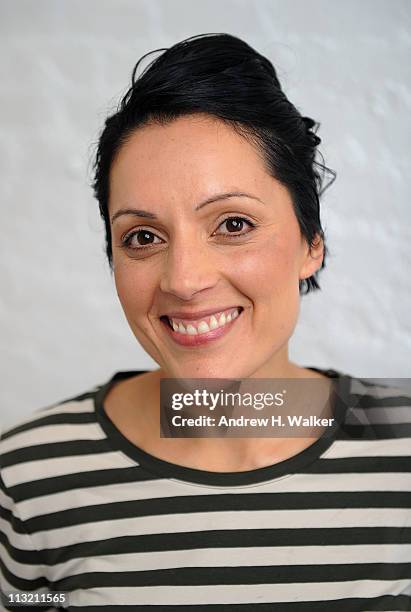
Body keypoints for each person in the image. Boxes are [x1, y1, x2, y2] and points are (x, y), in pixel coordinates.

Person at [1, 33, 410, 611]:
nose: (184, 280)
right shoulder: (28, 477)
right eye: (143, 236)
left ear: (311, 244)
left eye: (234, 224)